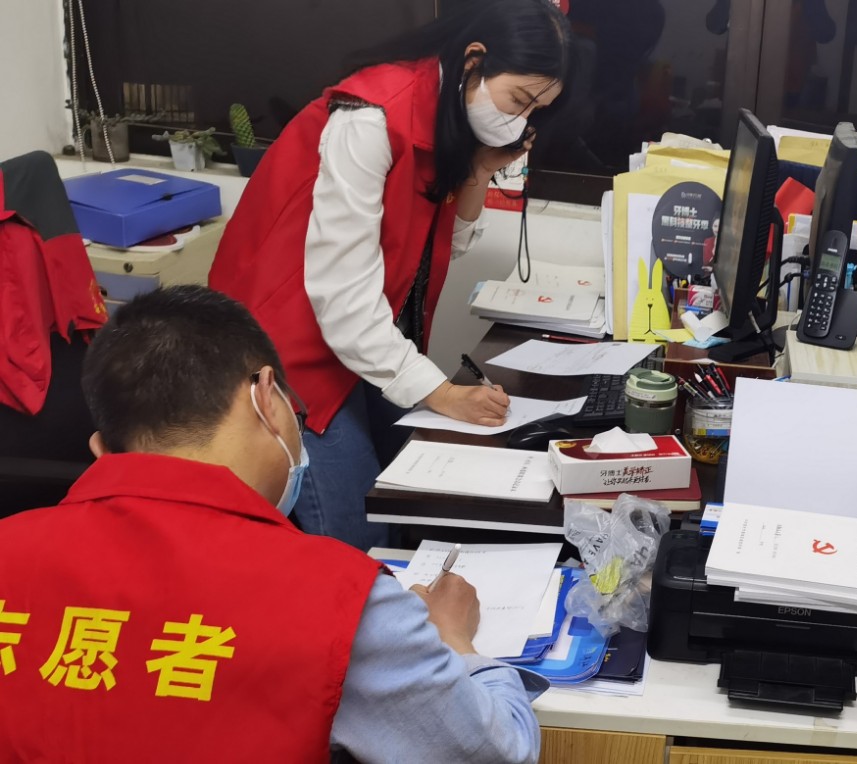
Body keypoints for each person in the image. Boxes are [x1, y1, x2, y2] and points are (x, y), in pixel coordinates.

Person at [0, 286, 544, 761]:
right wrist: (454, 641)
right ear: (266, 395)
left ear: (101, 449)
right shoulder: (341, 601)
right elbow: (496, 752)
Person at [209, 0, 582, 550]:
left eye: (536, 111)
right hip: (285, 351)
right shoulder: (371, 118)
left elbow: (441, 248)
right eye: (520, 100)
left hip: (356, 343)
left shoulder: (444, 111)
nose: (521, 121)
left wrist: (479, 172)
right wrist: (442, 392)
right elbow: (342, 298)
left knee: (417, 483)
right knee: (359, 530)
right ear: (474, 62)